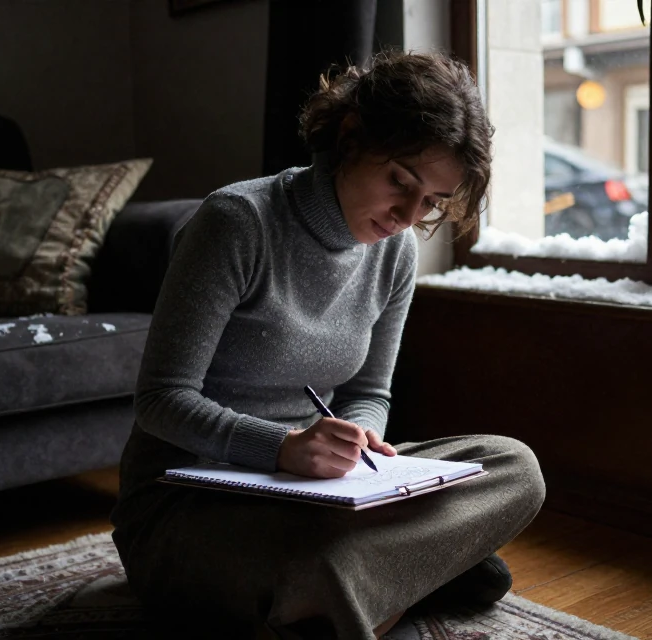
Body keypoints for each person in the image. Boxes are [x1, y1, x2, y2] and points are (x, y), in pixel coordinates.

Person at [110, 50, 546, 639]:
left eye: (433, 202)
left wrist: (362, 436)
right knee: (325, 559)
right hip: (183, 505)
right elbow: (161, 400)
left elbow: (369, 391)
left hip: (315, 494)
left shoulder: (396, 254)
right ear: (349, 136)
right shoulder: (236, 222)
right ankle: (393, 573)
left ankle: (352, 582)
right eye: (400, 181)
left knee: (514, 466)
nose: (407, 215)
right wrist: (282, 448)